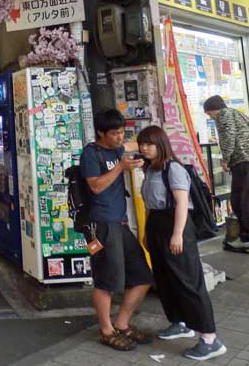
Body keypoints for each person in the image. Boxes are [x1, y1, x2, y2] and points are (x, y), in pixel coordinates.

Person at [137, 125, 227, 361]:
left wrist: (177, 234)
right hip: (157, 225)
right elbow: (149, 204)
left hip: (175, 225)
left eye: (149, 143)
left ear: (161, 144)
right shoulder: (150, 169)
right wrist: (147, 231)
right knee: (165, 278)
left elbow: (181, 204)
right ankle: (179, 323)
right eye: (142, 144)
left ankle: (210, 339)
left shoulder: (173, 169)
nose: (144, 148)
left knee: (188, 281)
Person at [80, 109, 154, 351]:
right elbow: (96, 187)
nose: (120, 137)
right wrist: (120, 167)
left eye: (122, 132)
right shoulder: (92, 154)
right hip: (101, 225)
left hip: (120, 223)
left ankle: (122, 323)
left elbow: (138, 143)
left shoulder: (119, 149)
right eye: (114, 133)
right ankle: (106, 330)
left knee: (142, 276)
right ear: (101, 132)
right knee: (106, 281)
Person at [203, 95, 249, 249]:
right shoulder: (235, 113)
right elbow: (248, 124)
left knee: (241, 200)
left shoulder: (223, 115)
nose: (210, 117)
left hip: (244, 161)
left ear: (213, 109)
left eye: (209, 113)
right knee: (245, 199)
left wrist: (225, 159)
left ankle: (248, 237)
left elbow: (228, 138)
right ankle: (248, 234)